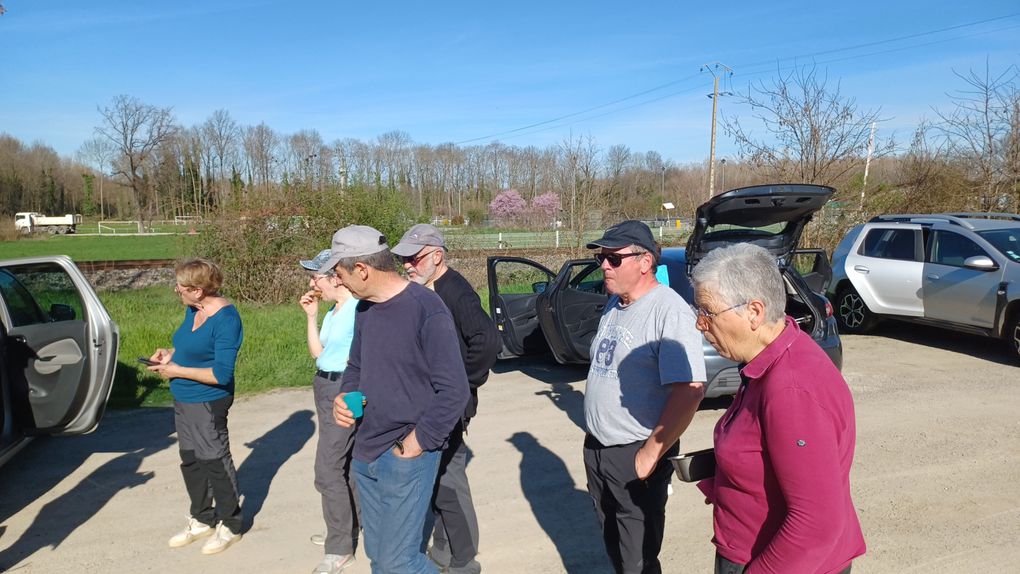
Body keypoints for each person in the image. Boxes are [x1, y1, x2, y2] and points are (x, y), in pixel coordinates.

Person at [690, 243, 865, 574]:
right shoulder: (770, 358)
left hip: (773, 561)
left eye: (707, 312)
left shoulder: (790, 389)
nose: (700, 324)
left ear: (754, 312)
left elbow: (817, 524)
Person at [326, 225, 470, 574]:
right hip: (366, 451)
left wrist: (415, 443)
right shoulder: (364, 309)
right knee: (380, 557)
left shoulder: (427, 309)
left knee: (398, 563)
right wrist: (344, 395)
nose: (337, 281)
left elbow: (454, 390)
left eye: (339, 273)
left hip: (405, 455)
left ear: (362, 269)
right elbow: (357, 366)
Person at [582, 220, 707, 574]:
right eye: (601, 258)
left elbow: (690, 390)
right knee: (614, 545)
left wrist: (649, 455)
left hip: (635, 453)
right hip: (599, 449)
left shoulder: (668, 311)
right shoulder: (615, 304)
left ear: (644, 262)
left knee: (638, 558)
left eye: (613, 258)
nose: (604, 265)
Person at [392, 224, 501, 574]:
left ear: (437, 256)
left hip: (449, 404)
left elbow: (487, 341)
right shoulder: (428, 288)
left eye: (415, 257)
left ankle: (465, 560)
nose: (408, 264)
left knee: (450, 481)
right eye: (404, 258)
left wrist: (461, 384)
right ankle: (443, 549)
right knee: (437, 480)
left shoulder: (457, 292)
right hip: (432, 401)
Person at [149, 258, 244, 555]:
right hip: (184, 397)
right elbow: (190, 349)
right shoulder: (194, 310)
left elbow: (220, 374)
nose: (176, 290)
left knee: (214, 459)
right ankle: (202, 518)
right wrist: (170, 355)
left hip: (207, 400)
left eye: (181, 286)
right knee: (190, 459)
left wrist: (177, 371)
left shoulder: (226, 319)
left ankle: (231, 523)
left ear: (199, 290)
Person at [299, 249, 361, 574]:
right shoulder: (334, 312)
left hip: (344, 390)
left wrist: (355, 397)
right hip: (324, 385)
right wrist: (311, 316)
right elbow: (318, 354)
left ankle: (339, 549)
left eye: (316, 276)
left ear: (335, 277)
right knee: (343, 465)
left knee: (327, 469)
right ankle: (348, 529)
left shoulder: (357, 310)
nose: (313, 283)